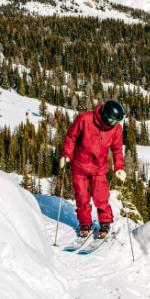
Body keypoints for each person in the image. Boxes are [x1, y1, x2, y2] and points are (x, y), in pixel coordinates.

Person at [60, 99, 127, 238]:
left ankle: (105, 223)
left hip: (99, 168)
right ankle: (85, 224)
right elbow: (71, 137)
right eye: (111, 121)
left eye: (116, 122)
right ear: (103, 115)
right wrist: (66, 155)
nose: (113, 125)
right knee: (82, 197)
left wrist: (119, 168)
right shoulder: (85, 119)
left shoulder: (116, 129)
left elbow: (117, 150)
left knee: (101, 197)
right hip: (79, 165)